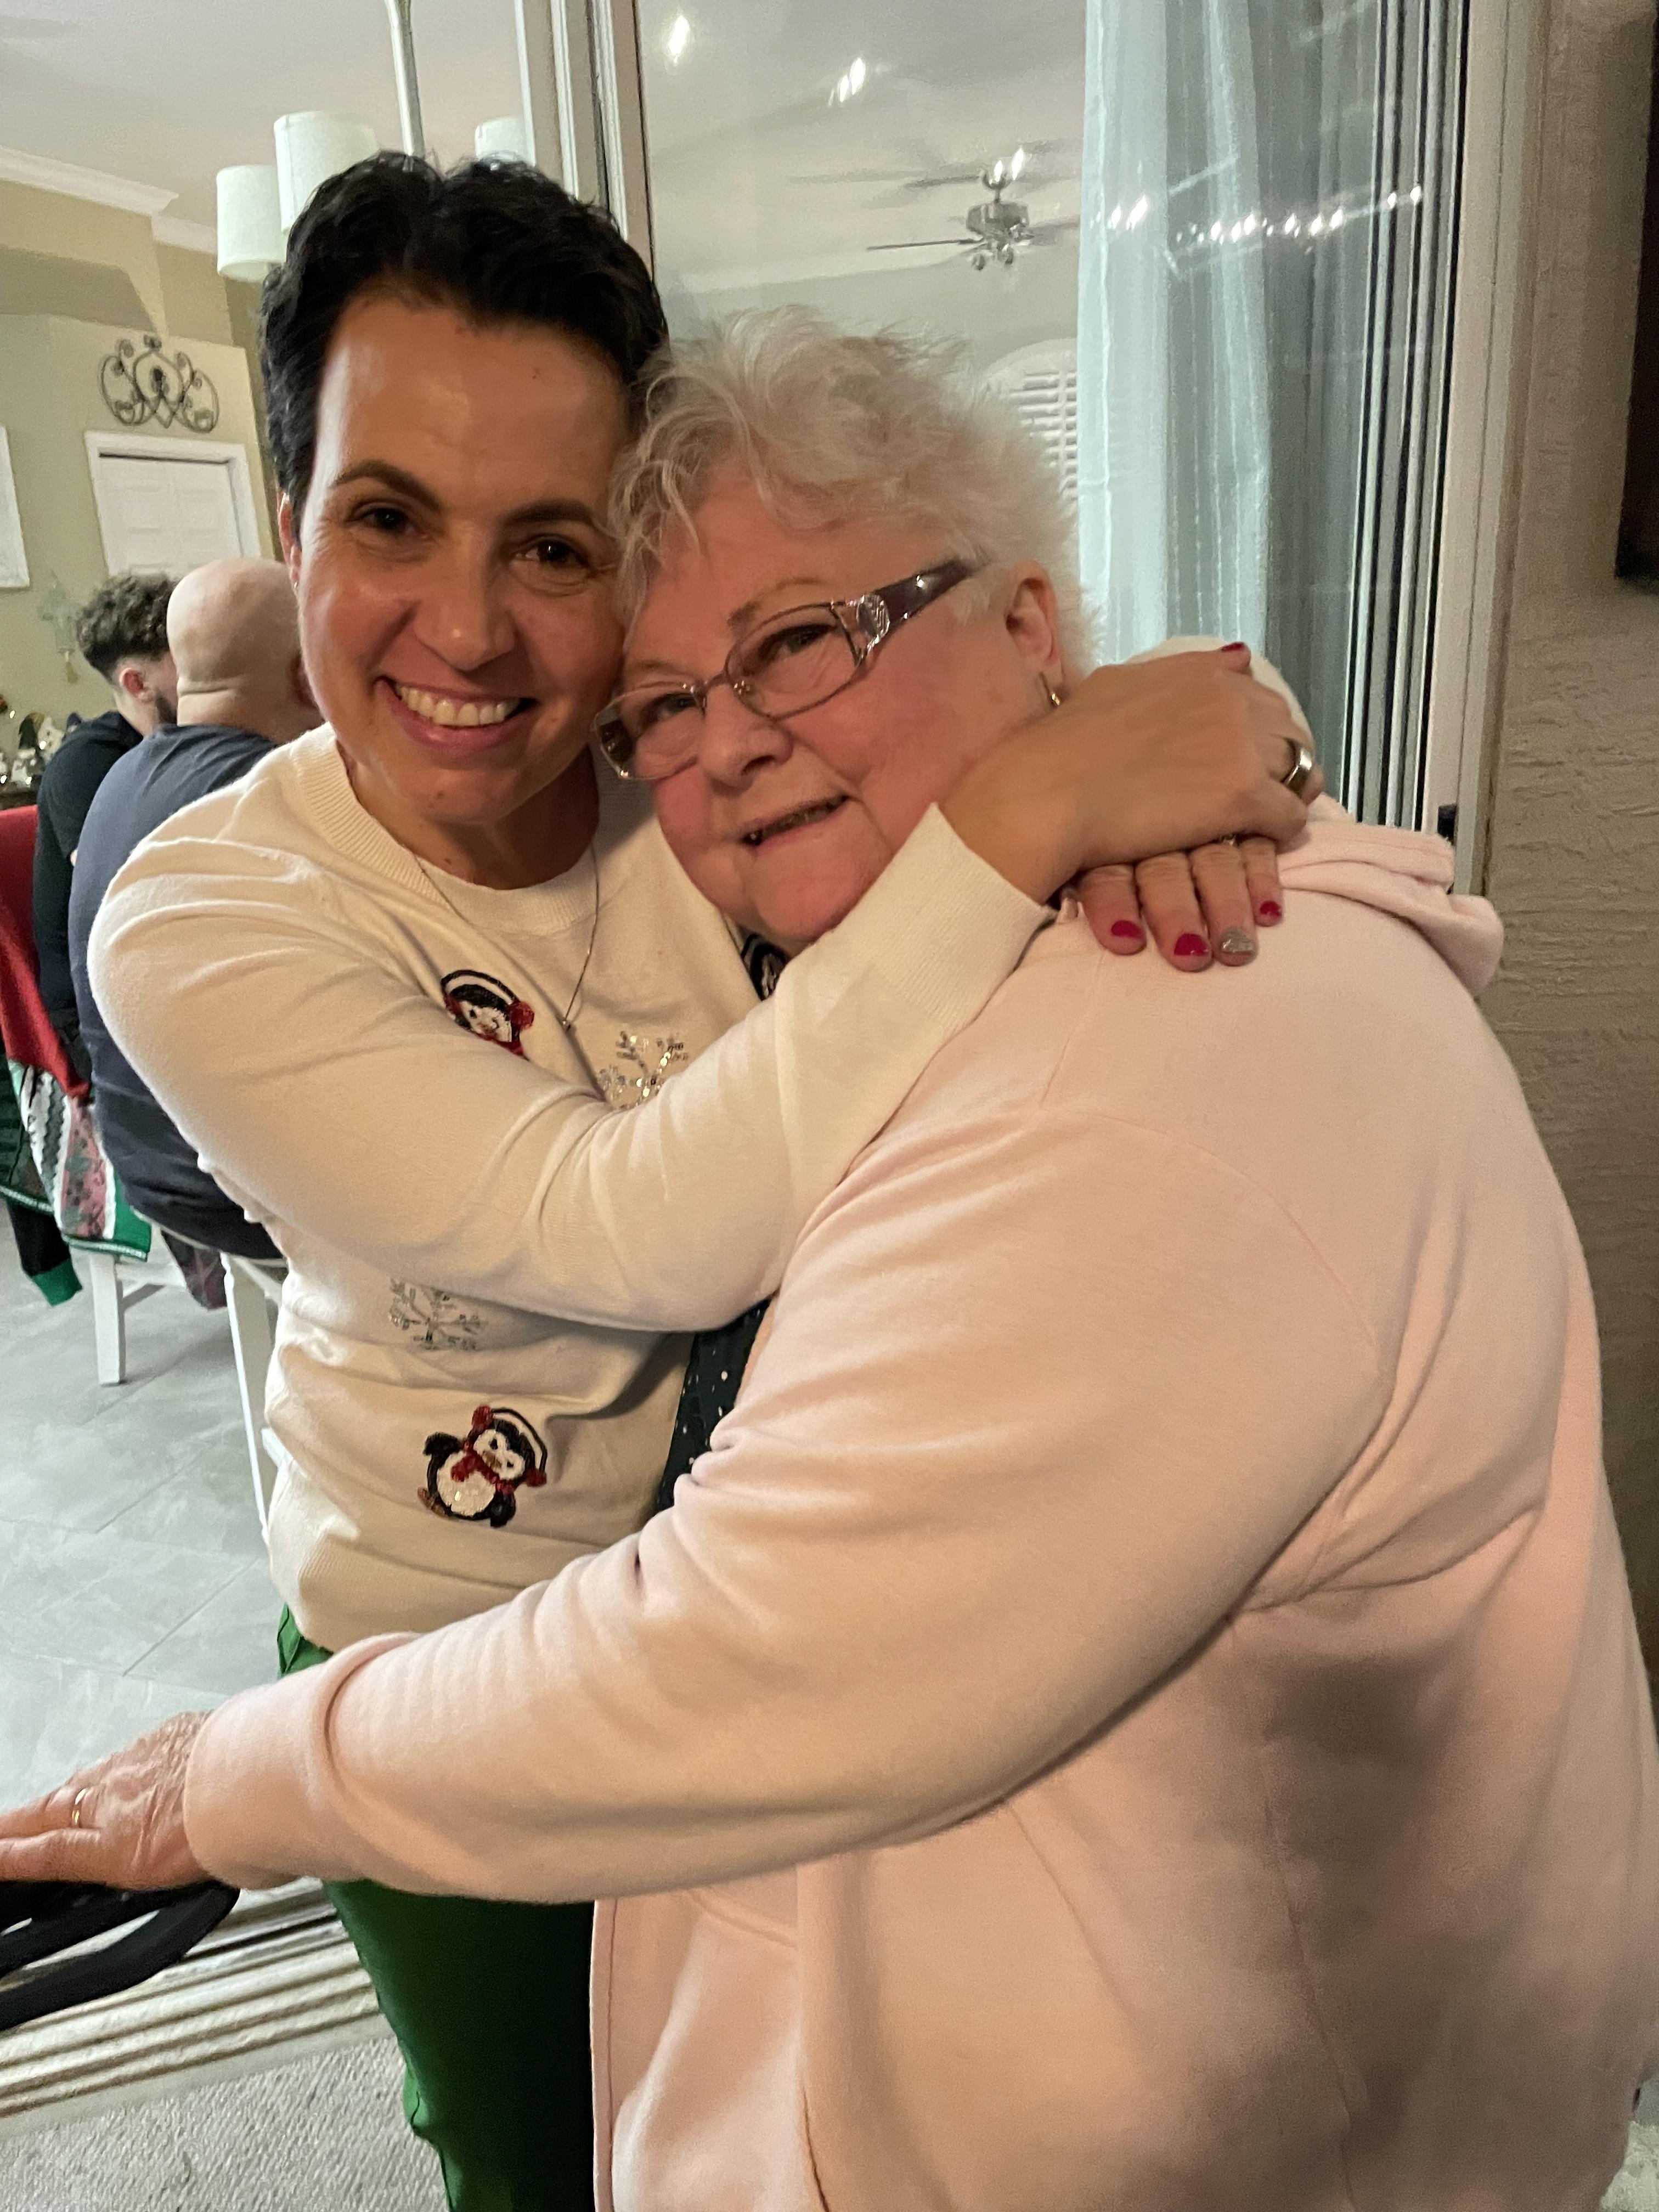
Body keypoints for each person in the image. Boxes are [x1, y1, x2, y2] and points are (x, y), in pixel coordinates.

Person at [5, 308, 1654, 2212]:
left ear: (1036, 630)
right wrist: (1046, 788)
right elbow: (616, 1221)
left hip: (780, 1740)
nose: (720, 744)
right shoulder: (214, 909)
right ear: (292, 531)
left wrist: (1210, 725)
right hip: (444, 1615)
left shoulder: (1113, 1039)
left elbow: (766, 1649)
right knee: (523, 2148)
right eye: (389, 518)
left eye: (795, 639)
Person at [68, 560, 318, 1275]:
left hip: (146, 1160)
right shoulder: (273, 794)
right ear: (310, 674)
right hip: (236, 1191)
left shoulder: (126, 774)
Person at [31, 571, 176, 1071]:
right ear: (138, 683)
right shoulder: (86, 764)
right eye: (191, 659)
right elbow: (130, 887)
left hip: (157, 973)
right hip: (95, 1009)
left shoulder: (187, 747)